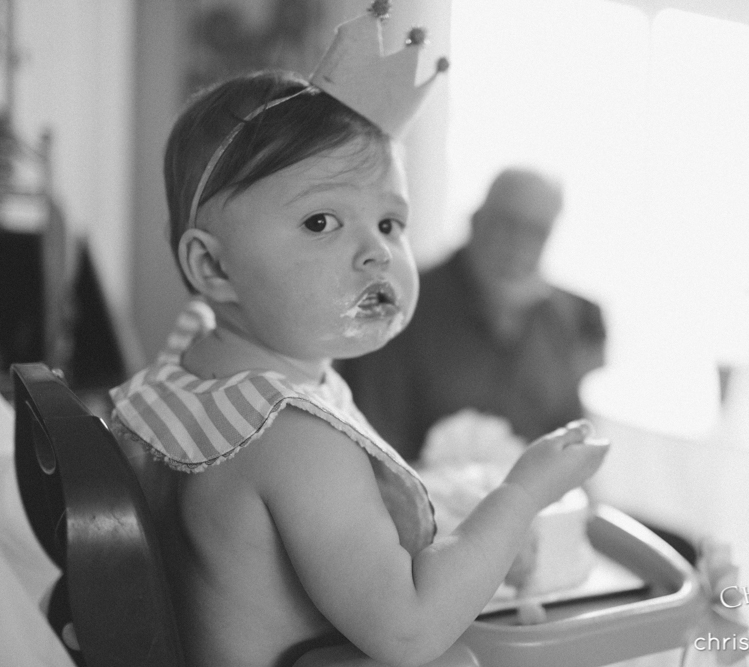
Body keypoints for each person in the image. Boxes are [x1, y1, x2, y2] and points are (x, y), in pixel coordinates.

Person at [107, 8, 610, 667]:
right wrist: (521, 494)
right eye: (321, 221)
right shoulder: (294, 435)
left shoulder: (195, 368)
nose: (376, 252)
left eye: (391, 223)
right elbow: (408, 630)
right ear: (213, 266)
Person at [337, 168, 606, 461]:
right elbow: (373, 443)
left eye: (537, 232)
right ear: (476, 221)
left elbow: (573, 439)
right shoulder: (397, 305)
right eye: (507, 224)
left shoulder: (575, 316)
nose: (519, 244)